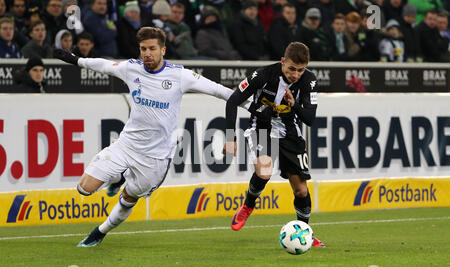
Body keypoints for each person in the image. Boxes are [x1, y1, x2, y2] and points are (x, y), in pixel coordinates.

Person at [53, 26, 249, 247]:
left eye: (152, 48)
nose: (147, 53)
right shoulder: (131, 69)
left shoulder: (180, 75)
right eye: (143, 48)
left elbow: (220, 91)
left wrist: (254, 106)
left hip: (155, 158)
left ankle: (100, 231)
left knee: (129, 199)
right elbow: (105, 65)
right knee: (84, 189)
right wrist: (76, 60)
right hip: (127, 145)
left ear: (163, 50)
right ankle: (118, 177)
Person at [222, 41, 325, 247]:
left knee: (301, 191)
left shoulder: (309, 82)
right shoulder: (263, 75)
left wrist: (293, 105)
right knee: (264, 170)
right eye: (291, 69)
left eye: (300, 70)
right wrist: (230, 137)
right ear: (282, 62)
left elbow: (310, 119)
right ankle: (248, 206)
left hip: (291, 132)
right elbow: (233, 100)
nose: (296, 74)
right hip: (262, 127)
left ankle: (304, 232)